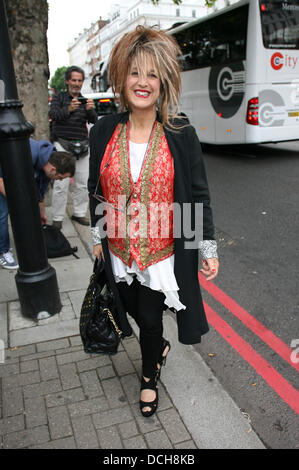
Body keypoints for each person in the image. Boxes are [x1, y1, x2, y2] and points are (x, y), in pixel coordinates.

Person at [88, 26, 219, 418]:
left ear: (163, 82)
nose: (142, 82)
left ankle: (149, 374)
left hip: (162, 252)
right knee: (128, 307)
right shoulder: (105, 131)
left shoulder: (181, 133)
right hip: (118, 248)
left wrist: (206, 248)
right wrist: (98, 235)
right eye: (134, 72)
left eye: (151, 74)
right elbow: (97, 187)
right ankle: (155, 347)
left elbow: (197, 196)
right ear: (121, 77)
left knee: (148, 319)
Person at [0, 138, 75, 270]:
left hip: (7, 173)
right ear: (53, 169)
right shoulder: (27, 155)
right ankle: (3, 251)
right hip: (2, 173)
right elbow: (1, 178)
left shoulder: (48, 161)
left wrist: (42, 213)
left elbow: (40, 191)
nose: (60, 180)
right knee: (2, 211)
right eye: (60, 178)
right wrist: (17, 203)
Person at [49, 65, 98, 229]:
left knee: (83, 183)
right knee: (61, 184)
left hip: (82, 147)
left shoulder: (84, 100)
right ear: (67, 81)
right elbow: (53, 115)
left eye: (79, 80)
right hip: (62, 144)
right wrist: (69, 109)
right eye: (74, 80)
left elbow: (94, 121)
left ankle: (79, 213)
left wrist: (91, 110)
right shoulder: (60, 98)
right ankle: (57, 218)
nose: (77, 83)